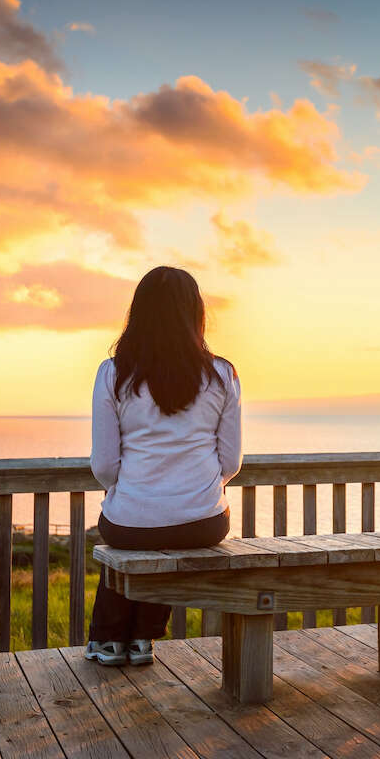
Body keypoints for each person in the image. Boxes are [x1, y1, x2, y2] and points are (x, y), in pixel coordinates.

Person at [84, 265, 242, 666]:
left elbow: (104, 464)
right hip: (203, 521)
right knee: (167, 533)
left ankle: (109, 641)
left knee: (134, 532)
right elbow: (230, 461)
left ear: (138, 314)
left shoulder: (112, 374)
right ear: (196, 313)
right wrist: (196, 490)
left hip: (129, 521)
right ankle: (142, 638)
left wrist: (129, 491)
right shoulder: (222, 375)